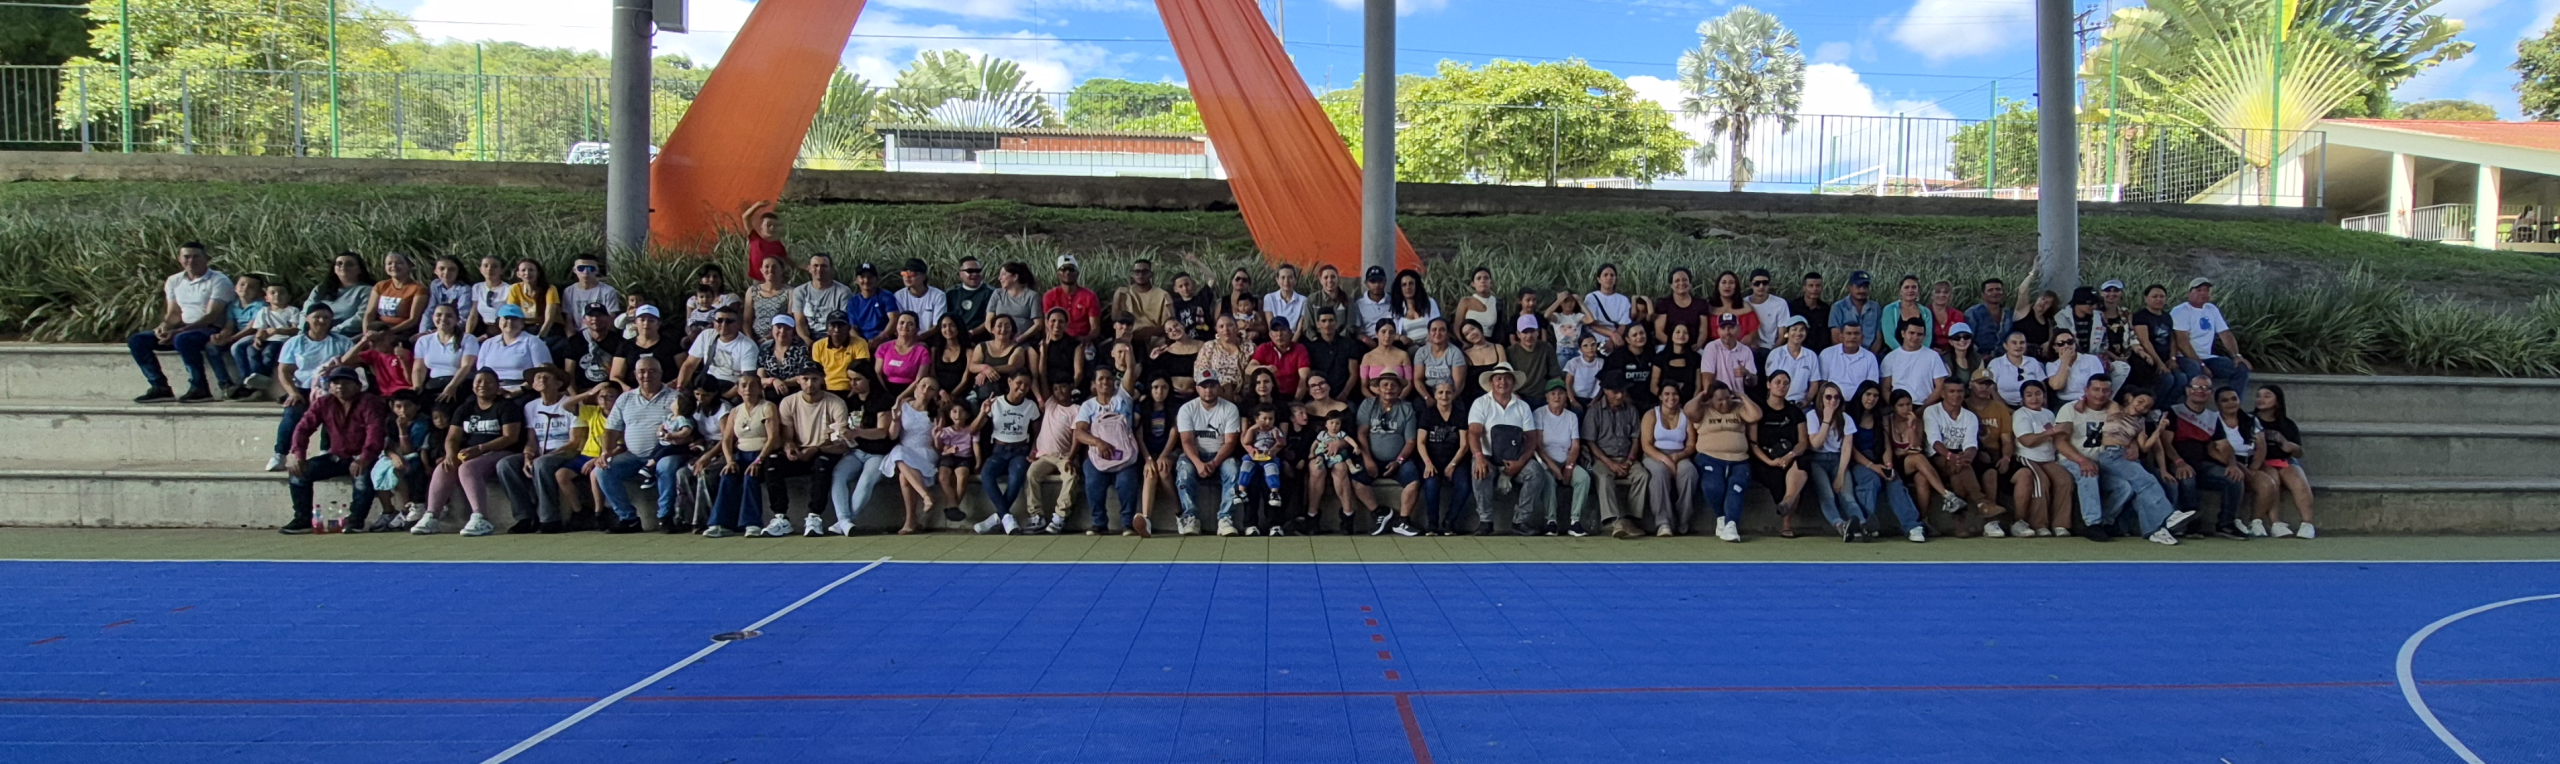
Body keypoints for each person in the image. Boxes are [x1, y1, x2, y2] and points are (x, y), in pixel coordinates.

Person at [279, 368, 385, 534]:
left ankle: (356, 521)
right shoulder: (323, 402)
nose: (340, 387)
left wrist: (364, 458)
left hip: (365, 456)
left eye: (346, 383)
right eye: (336, 383)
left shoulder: (369, 402)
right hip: (336, 456)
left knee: (362, 478)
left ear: (358, 385)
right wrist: (297, 454)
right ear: (329, 386)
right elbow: (303, 428)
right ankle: (303, 519)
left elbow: (375, 433)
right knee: (298, 473)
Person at [419, 369, 523, 537]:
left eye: (488, 382)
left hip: (501, 452)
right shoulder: (465, 408)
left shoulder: (507, 407)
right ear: (473, 386)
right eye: (478, 382)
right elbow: (452, 437)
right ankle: (432, 515)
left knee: (468, 468)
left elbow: (510, 437)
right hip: (471, 453)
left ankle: (480, 517)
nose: (483, 385)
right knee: (445, 467)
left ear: (497, 386)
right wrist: (450, 455)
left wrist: (481, 449)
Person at [130, 243, 238, 403]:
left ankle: (200, 387)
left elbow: (211, 315)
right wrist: (164, 327)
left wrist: (178, 332)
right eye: (186, 257)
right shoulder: (174, 281)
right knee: (138, 340)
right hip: (184, 329)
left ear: (207, 259)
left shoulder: (219, 280)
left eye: (196, 256)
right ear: (179, 259)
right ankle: (159, 387)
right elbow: (173, 312)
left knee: (184, 339)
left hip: (210, 329)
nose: (191, 260)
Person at [596, 357, 690, 534]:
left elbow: (687, 426)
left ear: (661, 374)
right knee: (602, 469)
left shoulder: (675, 397)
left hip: (665, 453)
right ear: (635, 375)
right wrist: (606, 452)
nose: (647, 375)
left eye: (652, 371)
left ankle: (665, 517)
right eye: (642, 371)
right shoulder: (625, 399)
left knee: (667, 466)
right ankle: (628, 519)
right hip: (633, 456)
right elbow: (611, 430)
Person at [497, 367, 585, 535]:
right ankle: (525, 517)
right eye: (538, 378)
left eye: (547, 377)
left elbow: (575, 442)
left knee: (542, 463)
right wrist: (527, 456)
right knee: (505, 465)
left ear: (558, 384)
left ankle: (550, 519)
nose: (541, 380)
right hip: (541, 452)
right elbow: (531, 440)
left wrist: (548, 455)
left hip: (565, 451)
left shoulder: (571, 404)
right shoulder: (530, 407)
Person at [1466, 363, 1550, 536]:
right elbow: (1473, 433)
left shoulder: (1522, 406)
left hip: (1514, 459)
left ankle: (1521, 521)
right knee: (1478, 470)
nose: (1502, 382)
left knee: (1535, 472)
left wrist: (1520, 463)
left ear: (1513, 383)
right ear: (1492, 382)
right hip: (1488, 458)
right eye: (1498, 378)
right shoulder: (1480, 403)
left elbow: (1532, 438)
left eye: (1507, 378)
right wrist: (1480, 457)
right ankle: (1485, 521)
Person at [269, 306, 354, 472]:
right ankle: (280, 454)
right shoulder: (294, 343)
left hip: (332, 390)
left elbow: (352, 364)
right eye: (317, 317)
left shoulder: (342, 342)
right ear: (307, 318)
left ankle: (327, 452)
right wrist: (293, 392)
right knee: (292, 413)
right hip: (303, 389)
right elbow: (284, 371)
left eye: (326, 318)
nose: (321, 321)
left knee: (334, 411)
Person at [2163, 376, 2249, 539]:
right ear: (2188, 390)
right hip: (2178, 463)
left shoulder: (2212, 417)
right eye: (2196, 387)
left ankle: (2225, 524)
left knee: (2234, 478)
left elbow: (2224, 445)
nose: (2200, 391)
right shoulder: (2174, 411)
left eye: (2205, 388)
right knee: (2188, 479)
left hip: (2203, 465)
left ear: (2210, 393)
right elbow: (2166, 443)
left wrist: (2232, 464)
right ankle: (2190, 524)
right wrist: (2179, 462)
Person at [768, 365, 848, 536]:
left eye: (814, 379)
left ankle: (814, 517)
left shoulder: (836, 403)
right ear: (798, 380)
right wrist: (790, 448)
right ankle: (781, 517)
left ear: (822, 380)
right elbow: (787, 436)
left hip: (824, 450)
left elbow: (841, 443)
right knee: (772, 462)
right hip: (800, 451)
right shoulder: (789, 402)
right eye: (805, 379)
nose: (809, 383)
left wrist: (816, 448)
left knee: (822, 463)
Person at [701, 370, 782, 538]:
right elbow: (727, 439)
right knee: (727, 476)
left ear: (760, 388)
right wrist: (730, 460)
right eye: (743, 385)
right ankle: (721, 523)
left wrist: (759, 461)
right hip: (741, 455)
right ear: (738, 389)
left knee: (749, 477)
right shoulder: (735, 411)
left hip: (761, 455)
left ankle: (751, 523)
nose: (748, 389)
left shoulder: (767, 407)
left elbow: (773, 437)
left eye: (753, 385)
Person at [1843, 382, 1923, 542]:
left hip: (1879, 461)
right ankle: (1867, 523)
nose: (1872, 399)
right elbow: (1851, 449)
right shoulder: (1848, 416)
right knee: (1870, 479)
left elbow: (1886, 445)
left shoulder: (1879, 417)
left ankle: (1912, 526)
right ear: (1861, 395)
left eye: (1875, 395)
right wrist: (1873, 467)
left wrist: (1888, 466)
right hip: (1858, 463)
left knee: (1894, 481)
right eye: (1868, 395)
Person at [1922, 377, 1999, 537]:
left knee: (1959, 474)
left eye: (1959, 391)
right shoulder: (1932, 411)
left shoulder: (1969, 416)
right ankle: (1981, 502)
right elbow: (1934, 441)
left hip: (1961, 456)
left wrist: (1967, 457)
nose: (1956, 395)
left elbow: (1971, 443)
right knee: (1959, 466)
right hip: (1939, 455)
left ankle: (1960, 525)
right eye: (1951, 391)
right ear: (1943, 394)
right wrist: (1951, 456)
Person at [1169, 374, 1244, 535]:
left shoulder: (1230, 408)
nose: (1208, 390)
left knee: (1233, 469)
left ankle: (1225, 519)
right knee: (1184, 470)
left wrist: (1214, 463)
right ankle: (1191, 517)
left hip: (1220, 455)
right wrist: (1198, 463)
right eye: (1204, 386)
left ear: (1218, 387)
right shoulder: (1187, 409)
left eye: (1212, 386)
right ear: (1197, 388)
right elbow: (1187, 441)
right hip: (1195, 455)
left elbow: (1230, 442)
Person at [970, 372, 1041, 534]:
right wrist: (983, 412)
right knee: (987, 473)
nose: (1022, 387)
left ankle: (999, 518)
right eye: (1019, 382)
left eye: (1027, 385)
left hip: (1020, 451)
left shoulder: (1030, 405)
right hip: (999, 450)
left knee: (1017, 476)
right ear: (1010, 381)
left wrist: (1033, 450)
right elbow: (972, 430)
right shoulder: (996, 403)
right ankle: (1006, 517)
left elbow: (1038, 432)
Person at [1688, 383, 1759, 542]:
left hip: (1739, 459)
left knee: (1736, 486)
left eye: (1728, 398)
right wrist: (1702, 395)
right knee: (1712, 486)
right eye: (1720, 400)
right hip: (1709, 457)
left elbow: (1755, 416)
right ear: (1711, 399)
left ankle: (1731, 524)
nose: (1725, 403)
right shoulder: (1703, 409)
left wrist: (1742, 396)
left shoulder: (1739, 407)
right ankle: (1722, 517)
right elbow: (1688, 411)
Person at [1357, 374, 1422, 535]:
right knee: (1356, 479)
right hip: (1372, 457)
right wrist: (1368, 459)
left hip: (1398, 459)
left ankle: (1403, 521)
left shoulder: (1406, 408)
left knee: (1413, 481)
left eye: (1394, 385)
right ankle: (1380, 512)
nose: (1389, 389)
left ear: (1400, 389)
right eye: (1385, 385)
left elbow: (1411, 441)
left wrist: (1399, 461)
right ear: (1378, 389)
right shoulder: (1368, 405)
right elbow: (1361, 433)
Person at [877, 376, 944, 535]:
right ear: (916, 387)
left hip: (925, 451)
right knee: (900, 458)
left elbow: (938, 446)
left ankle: (912, 519)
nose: (925, 390)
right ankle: (922, 501)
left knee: (900, 456)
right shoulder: (903, 406)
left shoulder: (937, 413)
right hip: (905, 450)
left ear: (934, 394)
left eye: (931, 388)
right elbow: (893, 436)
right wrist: (895, 420)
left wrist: (936, 436)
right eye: (923, 386)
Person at [2171, 277, 2253, 405]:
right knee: (2195, 370)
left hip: (2208, 358)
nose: (2203, 293)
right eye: (2199, 290)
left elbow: (2225, 334)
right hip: (2185, 358)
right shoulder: (2181, 311)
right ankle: (2190, 408)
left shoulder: (2212, 309)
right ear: (2189, 293)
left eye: (2207, 290)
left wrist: (2236, 356)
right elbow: (2182, 342)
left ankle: (2231, 405)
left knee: (2240, 369)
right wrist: (2202, 365)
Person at [2248, 385, 2315, 539]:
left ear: (2277, 401)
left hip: (2284, 459)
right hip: (2261, 460)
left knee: (2299, 481)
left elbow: (2298, 452)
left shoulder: (2287, 424)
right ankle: (2276, 523)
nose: (2261, 399)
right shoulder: (2249, 420)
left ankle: (2307, 523)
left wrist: (2287, 444)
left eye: (2267, 396)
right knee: (2273, 479)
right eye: (2258, 396)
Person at [1750, 371, 1810, 537]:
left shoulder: (1794, 412)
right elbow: (1753, 443)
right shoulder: (1759, 410)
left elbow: (1803, 442)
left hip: (1790, 455)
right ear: (1769, 384)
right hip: (1764, 458)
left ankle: (1787, 508)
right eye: (1778, 382)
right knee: (1776, 477)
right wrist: (1770, 462)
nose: (1782, 386)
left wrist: (1789, 456)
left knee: (1802, 465)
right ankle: (1787, 515)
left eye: (1785, 383)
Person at [1527, 380, 1590, 536]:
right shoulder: (1539, 413)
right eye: (1553, 394)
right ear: (1547, 397)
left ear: (1566, 397)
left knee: (1583, 478)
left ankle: (1575, 522)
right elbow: (1538, 446)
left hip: (1566, 459)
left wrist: (1569, 467)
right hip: (1546, 461)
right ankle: (1551, 521)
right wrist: (1554, 468)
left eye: (1561, 393)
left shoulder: (1571, 417)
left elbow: (1575, 445)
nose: (1557, 397)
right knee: (1547, 479)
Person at [1022, 379, 1085, 534]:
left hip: (1065, 456)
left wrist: (1071, 458)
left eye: (1063, 386)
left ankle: (1060, 517)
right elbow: (1040, 376)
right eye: (1055, 388)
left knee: (1070, 477)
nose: (1059, 391)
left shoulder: (1077, 409)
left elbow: (1077, 436)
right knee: (1031, 474)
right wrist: (1042, 354)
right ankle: (1037, 516)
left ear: (1071, 387)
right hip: (1044, 456)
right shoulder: (1050, 404)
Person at [1413, 383, 1473, 536]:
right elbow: (1420, 442)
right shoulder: (1428, 414)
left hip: (1456, 460)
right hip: (1431, 460)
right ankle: (1432, 524)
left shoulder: (1460, 414)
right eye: (1440, 393)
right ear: (1434, 395)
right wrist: (1427, 463)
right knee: (1431, 484)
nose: (1444, 396)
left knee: (1464, 486)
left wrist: (1453, 464)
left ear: (1453, 394)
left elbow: (1464, 444)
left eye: (1448, 392)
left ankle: (1449, 522)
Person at [1798, 381, 1856, 540]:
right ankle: (1840, 525)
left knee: (1847, 495)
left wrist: (1840, 474)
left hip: (1838, 459)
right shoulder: (1812, 415)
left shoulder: (1846, 418)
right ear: (1821, 399)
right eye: (1828, 397)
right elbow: (1815, 444)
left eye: (1836, 398)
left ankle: (1862, 524)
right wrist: (1826, 420)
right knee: (1827, 495)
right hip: (1817, 459)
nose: (1833, 401)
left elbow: (1846, 448)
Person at [2010, 381, 2068, 537]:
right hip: (2028, 457)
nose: (2034, 398)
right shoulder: (2021, 414)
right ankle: (2039, 524)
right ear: (2022, 398)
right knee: (2040, 481)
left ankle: (2060, 524)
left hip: (2048, 458)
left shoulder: (2048, 413)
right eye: (2029, 395)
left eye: (2038, 394)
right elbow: (2026, 441)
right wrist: (2052, 432)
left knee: (2065, 480)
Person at [230, 277, 303, 400]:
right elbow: (260, 329)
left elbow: (295, 329)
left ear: (289, 297)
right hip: (267, 339)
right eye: (273, 293)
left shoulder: (292, 311)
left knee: (268, 352)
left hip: (282, 339)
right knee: (251, 350)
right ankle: (254, 377)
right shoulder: (264, 311)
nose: (277, 295)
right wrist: (258, 338)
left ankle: (263, 376)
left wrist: (277, 330)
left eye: (281, 293)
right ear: (266, 298)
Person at [679, 306, 758, 397]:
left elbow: (746, 379)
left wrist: (722, 398)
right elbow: (689, 365)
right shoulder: (706, 335)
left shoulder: (748, 346)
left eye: (729, 321)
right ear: (713, 322)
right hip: (706, 382)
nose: (724, 325)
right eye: (719, 320)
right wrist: (680, 388)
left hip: (731, 386)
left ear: (738, 324)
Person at [475, 304, 553, 396]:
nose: (510, 322)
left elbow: (543, 371)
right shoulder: (488, 343)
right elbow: (481, 371)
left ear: (523, 322)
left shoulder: (533, 342)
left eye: (515, 318)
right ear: (499, 321)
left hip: (523, 389)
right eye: (506, 318)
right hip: (491, 390)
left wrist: (521, 389)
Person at [1237, 406, 1290, 535]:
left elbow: (1282, 442)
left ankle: (1275, 524)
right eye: (1264, 419)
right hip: (1254, 458)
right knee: (1251, 480)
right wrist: (1252, 449)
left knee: (1272, 478)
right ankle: (1250, 523)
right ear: (1256, 419)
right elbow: (1246, 441)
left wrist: (1274, 449)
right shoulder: (1253, 429)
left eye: (1270, 419)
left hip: (1270, 458)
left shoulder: (1274, 429)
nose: (1267, 422)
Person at [612, 305, 687, 391]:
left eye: (651, 320)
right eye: (642, 320)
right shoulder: (625, 346)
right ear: (635, 323)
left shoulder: (671, 345)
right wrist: (627, 389)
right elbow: (615, 376)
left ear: (659, 323)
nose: (646, 324)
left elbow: (685, 371)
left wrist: (672, 385)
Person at [787, 253, 856, 342]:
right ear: (809, 268)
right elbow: (799, 322)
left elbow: (844, 322)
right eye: (815, 266)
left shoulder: (843, 291)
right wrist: (806, 339)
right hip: (808, 336)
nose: (819, 269)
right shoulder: (800, 291)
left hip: (833, 336)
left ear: (831, 269)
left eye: (824, 266)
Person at [933, 399, 981, 523]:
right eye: (954, 411)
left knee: (962, 476)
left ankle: (953, 508)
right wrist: (937, 439)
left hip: (964, 458)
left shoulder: (971, 430)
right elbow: (940, 447)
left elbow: (976, 446)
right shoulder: (946, 431)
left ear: (968, 415)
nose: (957, 415)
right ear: (950, 414)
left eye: (961, 412)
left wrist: (978, 462)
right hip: (948, 457)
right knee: (943, 477)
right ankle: (953, 505)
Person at [307, 252, 376, 338]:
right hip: (315, 331)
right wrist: (303, 330)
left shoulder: (367, 290)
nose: (343, 266)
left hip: (345, 335)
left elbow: (360, 318)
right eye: (339, 263)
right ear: (334, 268)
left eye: (349, 264)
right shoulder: (321, 289)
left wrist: (331, 331)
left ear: (359, 269)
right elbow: (306, 311)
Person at [1880, 319, 1948, 405]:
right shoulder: (1890, 357)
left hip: (1925, 406)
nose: (1915, 337)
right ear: (1903, 333)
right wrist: (1896, 408)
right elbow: (1885, 388)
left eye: (1919, 334)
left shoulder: (1933, 356)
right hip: (1898, 406)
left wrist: (1923, 408)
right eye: (1911, 333)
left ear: (1924, 336)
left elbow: (1940, 386)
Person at [1303, 308, 1365, 402]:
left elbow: (1353, 374)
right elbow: (1310, 375)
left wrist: (1343, 394)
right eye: (1323, 321)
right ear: (1318, 324)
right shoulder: (1311, 347)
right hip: (1318, 397)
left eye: (1331, 320)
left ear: (1336, 323)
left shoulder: (1349, 344)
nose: (1327, 324)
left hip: (1345, 397)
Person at [557, 305, 622, 393]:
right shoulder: (574, 341)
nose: (595, 319)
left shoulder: (618, 341)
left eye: (599, 315)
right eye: (591, 315)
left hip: (610, 392)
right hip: (582, 391)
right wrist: (575, 397)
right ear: (584, 320)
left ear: (608, 318)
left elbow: (620, 373)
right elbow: (569, 373)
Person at [1042, 255, 1104, 342]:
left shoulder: (1089, 296)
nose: (1067, 272)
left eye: (1071, 269)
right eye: (1063, 269)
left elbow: (1095, 328)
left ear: (1077, 273)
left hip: (1082, 339)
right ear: (1058, 274)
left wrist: (1086, 339)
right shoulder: (1049, 296)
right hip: (1057, 339)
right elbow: (1047, 326)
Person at [1249, 316, 1312, 400]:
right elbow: (1248, 369)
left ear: (1290, 333)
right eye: (1275, 330)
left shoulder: (1299, 349)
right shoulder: (1264, 348)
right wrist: (1264, 368)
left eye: (1282, 329)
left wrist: (1295, 401)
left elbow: (1304, 378)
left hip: (1293, 395)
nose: (1279, 334)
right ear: (1270, 335)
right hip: (1270, 396)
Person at [500, 259, 562, 339]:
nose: (527, 273)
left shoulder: (550, 289)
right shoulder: (515, 288)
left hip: (548, 327)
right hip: (525, 326)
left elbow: (549, 319)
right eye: (523, 270)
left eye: (531, 270)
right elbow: (512, 314)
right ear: (518, 274)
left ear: (538, 273)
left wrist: (540, 338)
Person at [1698, 315, 1755, 398]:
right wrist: (1711, 398)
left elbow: (1753, 382)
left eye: (1731, 327)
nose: (1727, 332)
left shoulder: (1746, 350)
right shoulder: (1711, 347)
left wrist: (1747, 374)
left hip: (1739, 398)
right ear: (1718, 330)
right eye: (1723, 328)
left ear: (1739, 329)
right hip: (1718, 398)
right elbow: (1707, 377)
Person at [2045, 329, 2107, 405]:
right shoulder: (2051, 365)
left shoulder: (2091, 359)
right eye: (2061, 343)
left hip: (2089, 400)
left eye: (2070, 342)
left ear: (2075, 343)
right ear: (2055, 348)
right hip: (2064, 403)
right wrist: (2065, 362)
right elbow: (2057, 386)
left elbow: (2099, 384)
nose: (2066, 346)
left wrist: (2083, 400)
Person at [1817, 321, 1880, 396]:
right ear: (1841, 337)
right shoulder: (1827, 353)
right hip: (1833, 400)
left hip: (1859, 403)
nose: (1853, 337)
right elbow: (1822, 383)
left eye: (1856, 333)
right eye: (1848, 333)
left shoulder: (1870, 357)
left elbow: (1872, 386)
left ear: (1862, 337)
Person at [1987, 332, 2048, 408]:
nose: (2018, 346)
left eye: (2022, 343)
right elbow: (1992, 389)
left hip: (2032, 406)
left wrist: (2043, 406)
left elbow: (2042, 386)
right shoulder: (1996, 363)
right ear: (2005, 345)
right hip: (2003, 407)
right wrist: (2006, 410)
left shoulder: (2033, 362)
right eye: (2014, 343)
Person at [1653, 268, 1709, 350]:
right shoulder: (1664, 303)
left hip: (1693, 348)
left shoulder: (1700, 304)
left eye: (1685, 280)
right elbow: (1659, 333)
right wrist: (1677, 347)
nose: (1681, 283)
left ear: (1690, 283)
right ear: (1671, 285)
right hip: (1668, 346)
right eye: (1677, 281)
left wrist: (1698, 345)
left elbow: (1703, 331)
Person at [1876, 275, 1933, 353]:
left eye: (1914, 287)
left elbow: (1928, 336)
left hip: (1920, 354)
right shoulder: (1890, 309)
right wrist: (1904, 354)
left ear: (1918, 291)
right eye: (1906, 287)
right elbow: (1889, 338)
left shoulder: (1925, 312)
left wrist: (1920, 353)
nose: (1910, 290)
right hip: (1894, 353)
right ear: (1900, 291)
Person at [1828, 271, 1882, 351]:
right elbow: (1836, 337)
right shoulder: (1838, 307)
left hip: (1871, 354)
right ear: (1849, 288)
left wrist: (1870, 356)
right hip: (1845, 353)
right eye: (1858, 287)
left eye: (1865, 287)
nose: (1862, 290)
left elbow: (1879, 337)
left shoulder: (1876, 307)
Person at [1964, 278, 2013, 362]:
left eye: (1998, 289)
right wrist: (1979, 357)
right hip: (1978, 360)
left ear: (2003, 293)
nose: (1995, 292)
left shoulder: (2009, 314)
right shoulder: (1973, 313)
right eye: (1990, 290)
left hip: (2006, 359)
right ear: (1983, 295)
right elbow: (1968, 339)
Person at [1744, 269, 1793, 352]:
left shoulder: (1780, 303)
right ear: (1750, 285)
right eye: (1757, 283)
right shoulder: (1743, 303)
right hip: (1747, 347)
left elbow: (1782, 335)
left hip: (1770, 348)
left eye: (1765, 283)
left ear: (1769, 285)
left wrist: (1773, 352)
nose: (1761, 286)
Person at [1390, 269, 1442, 344]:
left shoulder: (1429, 302)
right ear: (1400, 288)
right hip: (1409, 346)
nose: (1408, 287)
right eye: (1404, 285)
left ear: (1416, 285)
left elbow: (1438, 323)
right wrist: (1401, 337)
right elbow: (1391, 332)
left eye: (1411, 283)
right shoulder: (1396, 307)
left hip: (1431, 343)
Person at [894, 258, 948, 331]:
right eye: (904, 274)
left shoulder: (938, 295)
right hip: (907, 337)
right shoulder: (898, 296)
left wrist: (920, 338)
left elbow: (937, 325)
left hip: (931, 337)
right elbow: (897, 323)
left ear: (924, 277)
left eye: (911, 274)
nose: (907, 277)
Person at [743, 200, 788, 278]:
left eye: (775, 226)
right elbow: (745, 217)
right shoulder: (755, 238)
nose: (772, 228)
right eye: (768, 225)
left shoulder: (778, 245)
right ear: (761, 226)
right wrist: (758, 205)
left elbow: (786, 259)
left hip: (775, 281)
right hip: (758, 281)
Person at [1789, 272, 1832, 353]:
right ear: (1804, 288)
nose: (1815, 289)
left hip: (1820, 352)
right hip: (1798, 351)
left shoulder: (1826, 309)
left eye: (1818, 286)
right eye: (1811, 285)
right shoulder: (1793, 307)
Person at [1262, 263, 1311, 331]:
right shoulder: (1269, 298)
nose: (1286, 281)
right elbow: (1271, 327)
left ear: (1295, 280)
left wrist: (1292, 341)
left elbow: (1299, 330)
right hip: (1276, 337)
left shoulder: (1303, 300)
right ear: (1277, 280)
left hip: (1294, 338)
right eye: (1283, 277)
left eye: (1290, 277)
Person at [1354, 266, 1395, 343]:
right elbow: (1357, 331)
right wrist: (1366, 340)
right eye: (1373, 281)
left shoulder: (1393, 300)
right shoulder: (1359, 303)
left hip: (1391, 339)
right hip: (1369, 340)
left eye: (1380, 281)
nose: (1377, 285)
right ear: (1366, 283)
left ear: (1385, 282)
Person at [1563, 336, 1605, 404]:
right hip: (1576, 398)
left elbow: (1602, 385)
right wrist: (1573, 401)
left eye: (1593, 344)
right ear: (1580, 349)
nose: (1590, 348)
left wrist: (1595, 401)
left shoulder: (1601, 362)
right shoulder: (1574, 362)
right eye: (1585, 346)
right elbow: (1568, 384)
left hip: (1594, 400)